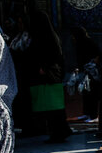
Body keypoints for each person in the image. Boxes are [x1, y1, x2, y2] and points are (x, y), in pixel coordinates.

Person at [26, 10, 71, 142]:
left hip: (49, 76)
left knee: (53, 107)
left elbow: (55, 56)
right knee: (52, 107)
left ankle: (59, 132)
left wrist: (44, 68)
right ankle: (57, 132)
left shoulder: (48, 37)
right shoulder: (45, 36)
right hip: (49, 76)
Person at [70, 26, 101, 122]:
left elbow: (97, 56)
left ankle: (93, 115)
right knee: (85, 92)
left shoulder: (89, 43)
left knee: (91, 93)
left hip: (91, 72)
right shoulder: (80, 44)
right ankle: (87, 113)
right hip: (84, 71)